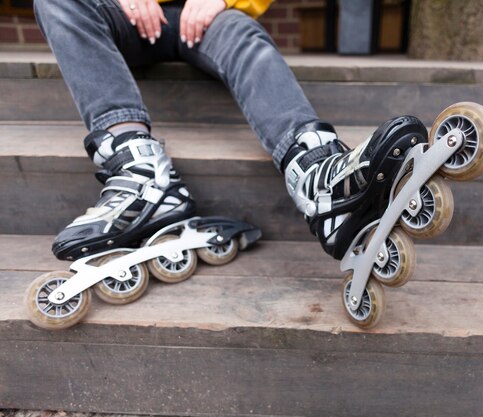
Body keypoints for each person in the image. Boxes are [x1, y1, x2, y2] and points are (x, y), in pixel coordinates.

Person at [33, 0, 429, 262]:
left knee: (241, 31)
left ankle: (318, 177)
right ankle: (140, 176)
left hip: (209, 19)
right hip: (118, 15)